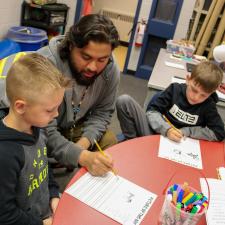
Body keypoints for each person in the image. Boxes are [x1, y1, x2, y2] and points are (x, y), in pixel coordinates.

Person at [37, 14, 120, 176]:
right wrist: (80, 156)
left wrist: (82, 145)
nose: (93, 67)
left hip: (75, 125)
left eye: (102, 59)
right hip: (41, 125)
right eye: (86, 57)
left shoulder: (111, 69)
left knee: (110, 142)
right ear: (70, 46)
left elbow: (103, 113)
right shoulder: (45, 64)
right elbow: (42, 126)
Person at [0, 53, 70, 225]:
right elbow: (5, 214)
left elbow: (42, 166)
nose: (56, 115)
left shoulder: (37, 127)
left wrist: (53, 194)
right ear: (20, 107)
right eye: (49, 110)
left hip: (44, 211)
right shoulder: (5, 155)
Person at [116, 61, 225, 142]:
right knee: (124, 101)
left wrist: (187, 131)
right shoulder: (174, 90)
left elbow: (219, 133)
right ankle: (132, 142)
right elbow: (152, 112)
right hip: (154, 134)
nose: (196, 97)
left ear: (211, 93)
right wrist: (167, 130)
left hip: (180, 144)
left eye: (203, 95)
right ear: (188, 79)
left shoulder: (208, 105)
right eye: (194, 90)